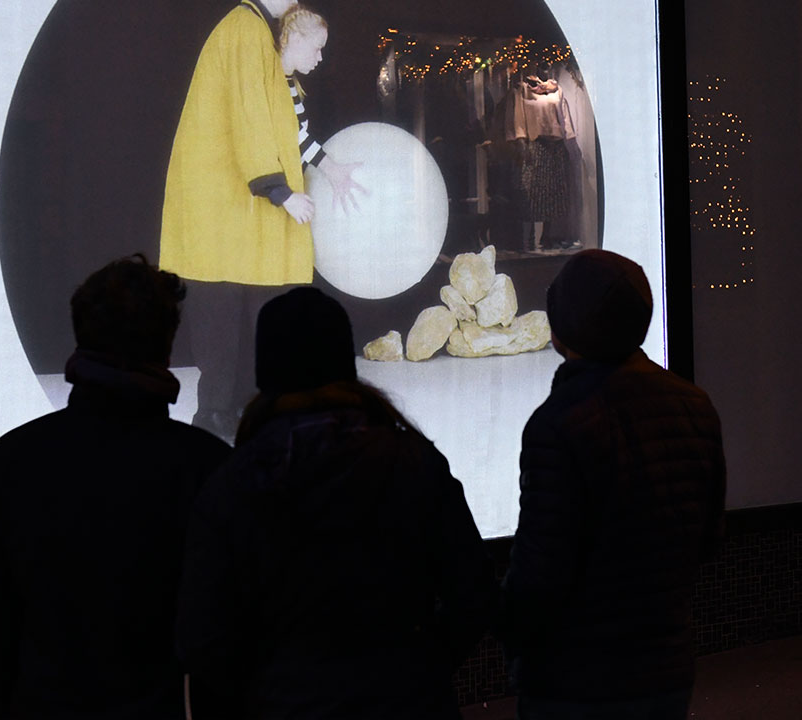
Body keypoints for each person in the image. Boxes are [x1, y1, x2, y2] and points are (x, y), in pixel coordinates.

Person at [176, 287, 494, 719]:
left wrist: (268, 695)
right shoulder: (414, 463)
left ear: (265, 369)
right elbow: (473, 593)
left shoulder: (232, 485)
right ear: (344, 362)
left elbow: (205, 642)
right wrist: (421, 669)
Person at [0, 255, 230, 719]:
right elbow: (224, 640)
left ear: (80, 333)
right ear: (167, 346)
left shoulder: (13, 460)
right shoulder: (204, 466)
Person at [501, 249, 725, 720]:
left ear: (561, 328)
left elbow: (540, 575)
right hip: (665, 668)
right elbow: (706, 539)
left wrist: (510, 637)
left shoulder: (558, 425)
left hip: (576, 682)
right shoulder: (696, 405)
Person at [158, 0, 359, 442]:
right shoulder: (246, 31)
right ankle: (215, 422)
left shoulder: (249, 35)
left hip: (228, 215)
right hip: (226, 211)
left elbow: (288, 131)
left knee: (234, 320)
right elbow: (251, 120)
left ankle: (229, 419)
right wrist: (279, 190)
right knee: (224, 322)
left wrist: (326, 170)